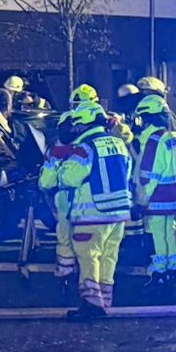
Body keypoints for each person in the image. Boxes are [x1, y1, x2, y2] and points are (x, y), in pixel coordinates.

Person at [42, 101, 134, 318]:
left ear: (83, 124)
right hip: (119, 214)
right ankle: (105, 301)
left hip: (91, 214)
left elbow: (70, 177)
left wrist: (58, 166)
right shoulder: (120, 144)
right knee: (108, 258)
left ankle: (92, 304)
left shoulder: (85, 148)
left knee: (89, 257)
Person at [131, 94, 176, 286]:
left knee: (156, 234)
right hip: (173, 193)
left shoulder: (154, 140)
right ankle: (171, 268)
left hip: (157, 195)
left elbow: (149, 173)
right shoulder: (170, 138)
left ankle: (158, 272)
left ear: (147, 118)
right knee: (168, 231)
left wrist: (142, 200)